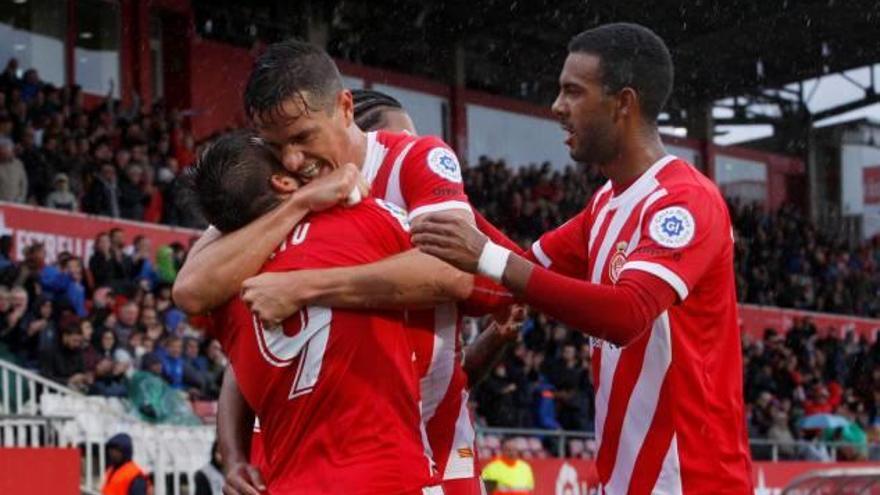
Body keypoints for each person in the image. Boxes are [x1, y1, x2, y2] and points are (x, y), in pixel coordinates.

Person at [411, 23, 753, 493]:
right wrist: (433, 192)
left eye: (573, 92)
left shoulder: (684, 200)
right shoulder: (606, 205)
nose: (557, 107)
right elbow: (518, 267)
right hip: (623, 482)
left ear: (623, 104)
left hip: (693, 481)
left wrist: (485, 255)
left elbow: (627, 313)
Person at [174, 44, 520, 495]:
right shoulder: (276, 193)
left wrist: (308, 286)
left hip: (432, 441)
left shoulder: (410, 160)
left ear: (344, 107)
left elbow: (454, 271)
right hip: (308, 455)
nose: (294, 159)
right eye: (278, 146)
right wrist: (233, 454)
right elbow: (194, 293)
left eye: (303, 137)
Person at [190, 130, 438, 494]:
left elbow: (235, 366)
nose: (294, 158)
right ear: (283, 181)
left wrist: (233, 457)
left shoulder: (223, 289)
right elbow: (460, 274)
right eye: (279, 150)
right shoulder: (363, 219)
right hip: (390, 476)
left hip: (291, 484)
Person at [0, 136, 27, 203]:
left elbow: (24, 183)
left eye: (6, 151)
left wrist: (21, 198)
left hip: (16, 203)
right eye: (2, 151)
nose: (3, 153)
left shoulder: (18, 164)